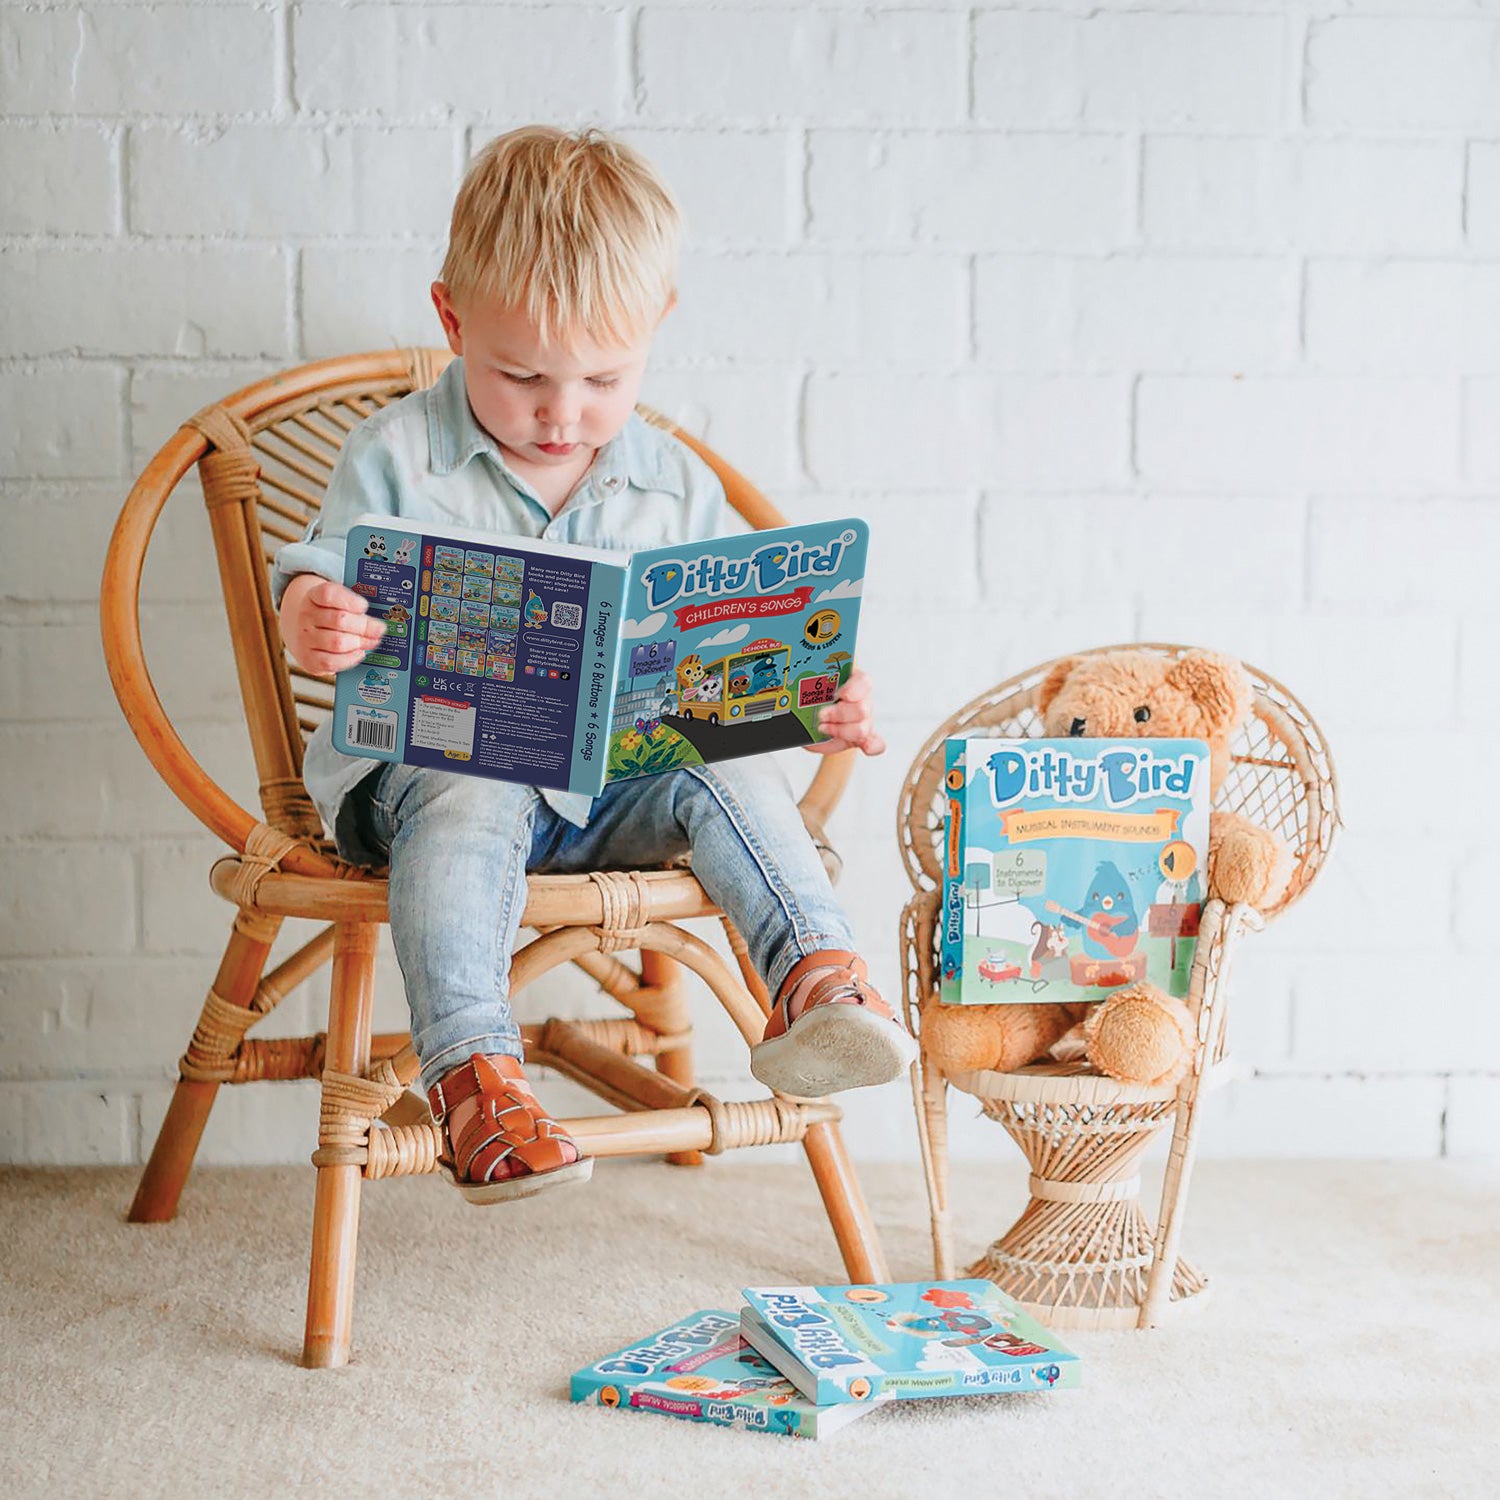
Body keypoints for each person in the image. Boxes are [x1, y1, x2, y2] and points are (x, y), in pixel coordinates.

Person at [273, 125, 916, 1205]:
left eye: (604, 378)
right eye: (520, 374)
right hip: (429, 789)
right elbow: (321, 572)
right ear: (451, 321)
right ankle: (474, 1078)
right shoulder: (394, 456)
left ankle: (816, 977)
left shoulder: (673, 481)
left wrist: (808, 701)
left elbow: (722, 666)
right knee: (473, 784)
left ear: (658, 326)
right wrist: (313, 618)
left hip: (609, 793)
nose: (561, 413)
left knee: (729, 767)